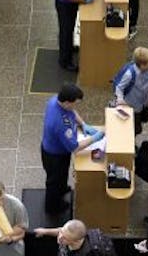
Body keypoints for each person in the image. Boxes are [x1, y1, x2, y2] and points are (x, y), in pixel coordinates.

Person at [39, 83, 103, 216]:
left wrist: (83, 124)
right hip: (55, 156)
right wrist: (95, 138)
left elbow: (72, 112)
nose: (76, 106)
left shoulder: (56, 100)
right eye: (75, 103)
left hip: (57, 149)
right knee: (54, 182)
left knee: (62, 176)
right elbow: (75, 147)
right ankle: (53, 207)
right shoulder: (60, 124)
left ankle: (62, 189)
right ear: (67, 102)